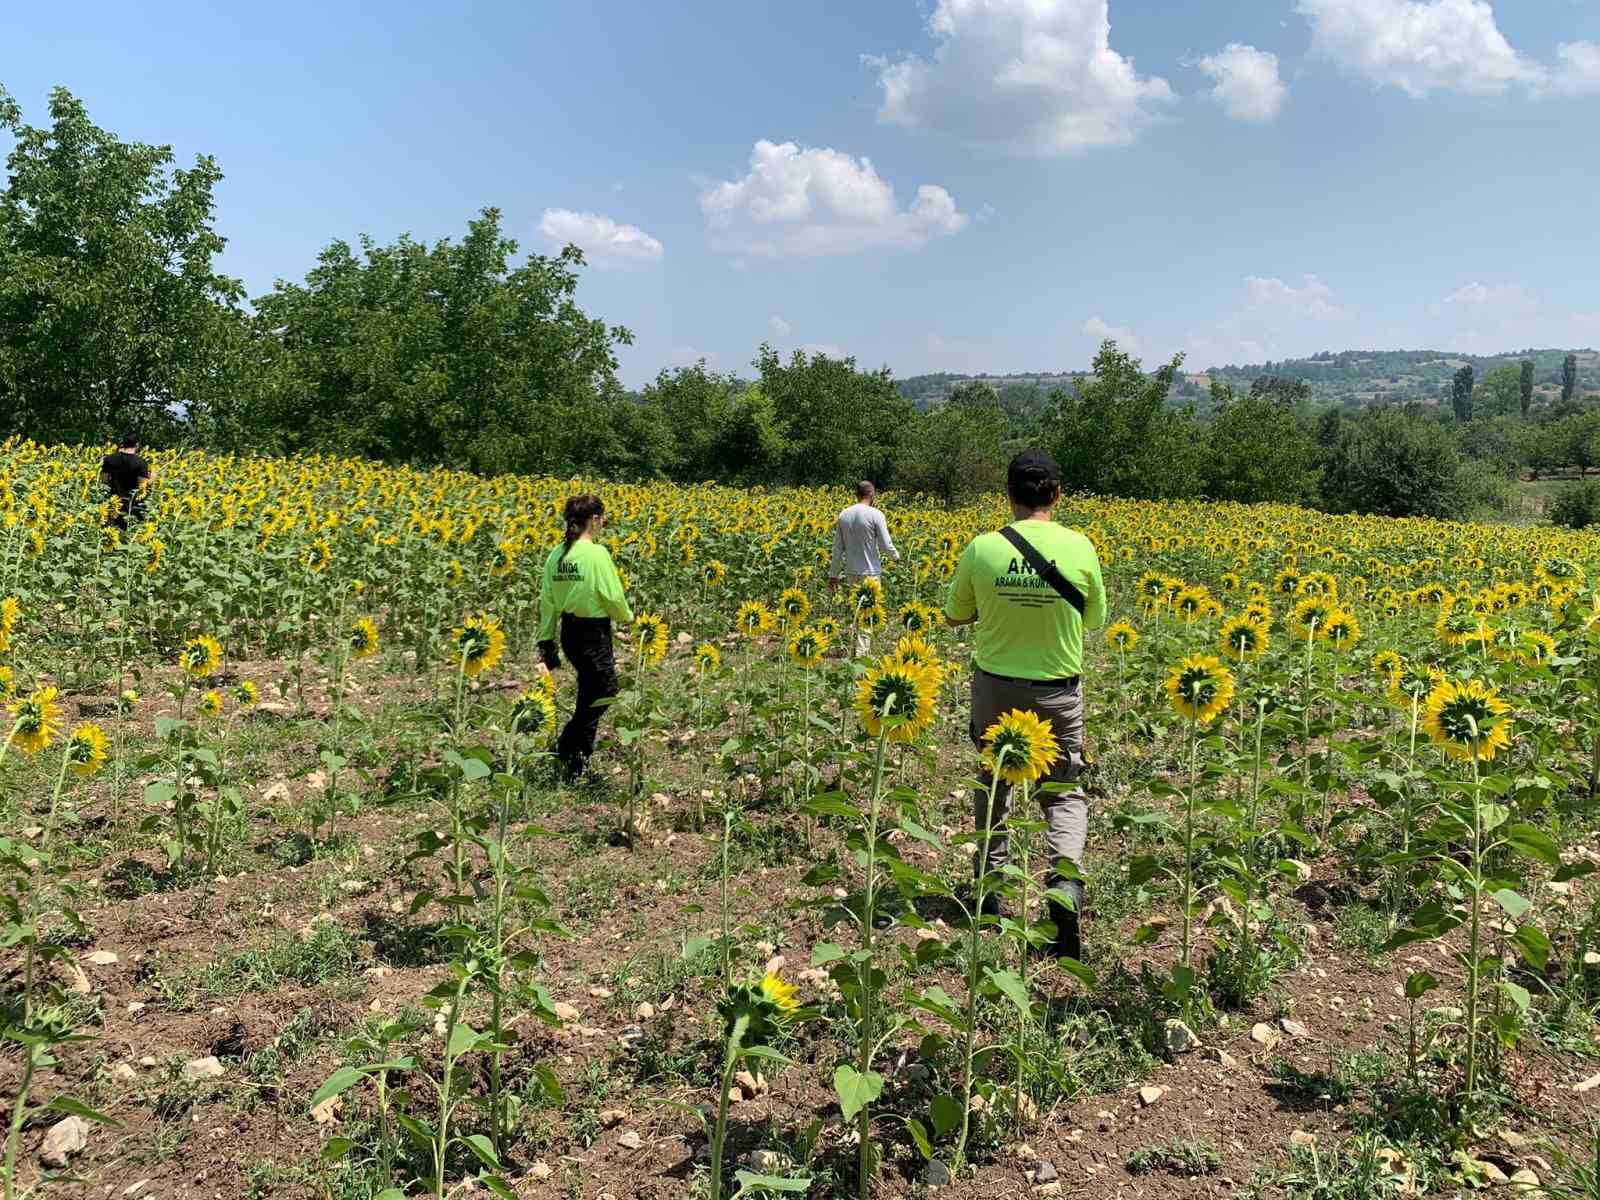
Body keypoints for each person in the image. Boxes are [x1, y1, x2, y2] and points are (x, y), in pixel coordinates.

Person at [944, 448, 1106, 961]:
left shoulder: (983, 548)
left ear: (1008, 494)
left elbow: (954, 615)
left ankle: (989, 895)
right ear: (1056, 495)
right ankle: (1063, 885)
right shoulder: (1080, 547)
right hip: (1057, 689)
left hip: (996, 685)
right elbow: (1095, 619)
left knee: (992, 784)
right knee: (1062, 790)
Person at [536, 494, 633, 780]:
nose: (603, 524)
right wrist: (626, 617)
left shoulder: (557, 555)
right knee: (604, 690)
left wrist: (546, 639)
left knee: (590, 692)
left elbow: (547, 600)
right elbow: (612, 595)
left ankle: (576, 763)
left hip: (569, 633)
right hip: (593, 633)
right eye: (602, 519)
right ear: (594, 519)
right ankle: (568, 749)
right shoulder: (596, 554)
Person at [828, 480, 900, 654]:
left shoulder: (844, 514)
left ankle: (856, 649)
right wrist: (896, 557)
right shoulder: (876, 514)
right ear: (872, 494)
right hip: (870, 572)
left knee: (857, 610)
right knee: (868, 613)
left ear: (856, 494)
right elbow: (885, 544)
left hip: (851, 571)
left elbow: (838, 547)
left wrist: (833, 574)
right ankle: (861, 654)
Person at [100, 433, 153, 532]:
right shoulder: (141, 463)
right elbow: (143, 486)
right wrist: (152, 478)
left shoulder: (109, 459)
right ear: (137, 445)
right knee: (131, 532)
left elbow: (104, 479)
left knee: (112, 529)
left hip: (114, 502)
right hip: (133, 505)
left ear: (123, 444)